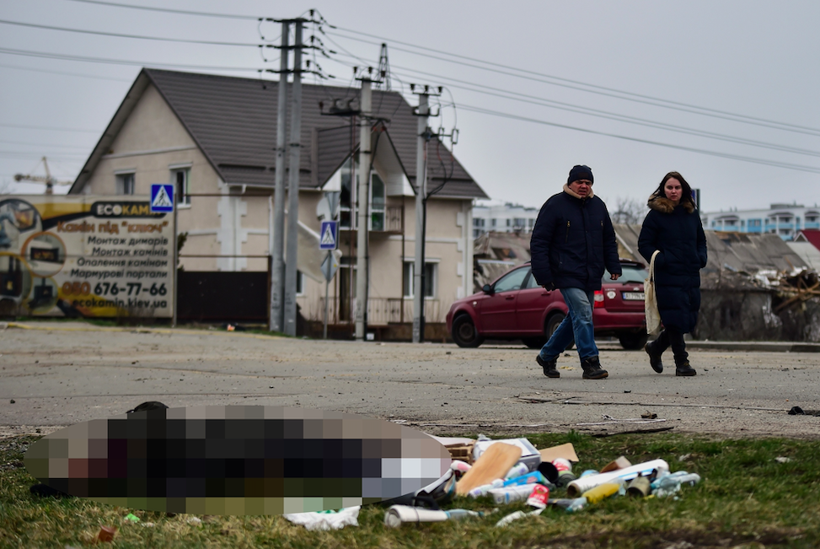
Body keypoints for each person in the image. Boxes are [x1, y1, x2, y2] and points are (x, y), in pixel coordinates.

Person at [530, 165, 622, 380]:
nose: (584, 186)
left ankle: (547, 355)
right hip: (565, 271)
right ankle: (590, 362)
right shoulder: (555, 205)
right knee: (583, 312)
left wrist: (614, 266)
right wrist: (543, 274)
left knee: (577, 317)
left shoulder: (598, 206)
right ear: (570, 182)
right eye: (580, 182)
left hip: (591, 272)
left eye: (588, 183)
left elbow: (608, 239)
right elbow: (540, 241)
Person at [638, 171, 707, 376]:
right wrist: (662, 260)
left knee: (687, 318)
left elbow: (701, 240)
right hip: (667, 274)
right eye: (670, 187)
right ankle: (682, 362)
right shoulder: (656, 215)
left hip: (690, 272)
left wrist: (701, 258)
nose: (673, 191)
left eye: (677, 187)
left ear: (683, 189)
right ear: (663, 190)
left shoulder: (691, 213)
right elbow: (644, 244)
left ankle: (656, 347)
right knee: (675, 317)